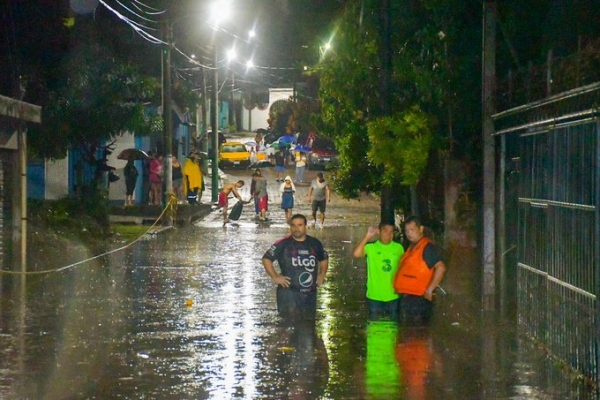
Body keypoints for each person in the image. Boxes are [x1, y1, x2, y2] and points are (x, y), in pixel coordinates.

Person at [262, 214, 329, 322]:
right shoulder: (282, 244)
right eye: (293, 225)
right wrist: (275, 276)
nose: (296, 228)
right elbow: (266, 259)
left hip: (309, 293)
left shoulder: (315, 243)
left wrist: (322, 274)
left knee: (309, 325)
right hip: (288, 292)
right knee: (287, 326)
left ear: (305, 226)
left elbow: (324, 258)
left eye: (300, 225)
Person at [393, 215, 447, 325]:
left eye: (412, 230)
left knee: (415, 336)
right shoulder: (413, 246)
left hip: (418, 300)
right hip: (409, 299)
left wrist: (429, 290)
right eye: (406, 230)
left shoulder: (427, 248)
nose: (408, 233)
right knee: (409, 336)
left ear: (420, 229)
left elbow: (441, 267)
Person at [353, 223, 405, 320]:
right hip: (374, 296)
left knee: (392, 328)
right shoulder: (371, 248)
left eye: (391, 232)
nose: (388, 235)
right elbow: (356, 254)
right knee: (374, 327)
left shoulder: (398, 248)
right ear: (379, 232)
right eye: (385, 231)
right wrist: (367, 236)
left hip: (393, 295)